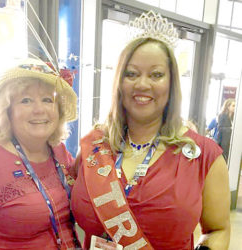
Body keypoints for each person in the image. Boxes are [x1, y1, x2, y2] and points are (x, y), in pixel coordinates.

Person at [71, 11, 230, 250]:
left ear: (171, 83)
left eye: (156, 74)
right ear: (119, 83)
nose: (142, 84)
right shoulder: (92, 146)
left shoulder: (204, 155)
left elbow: (218, 229)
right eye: (131, 74)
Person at [0, 58, 81, 249]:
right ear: (7, 110)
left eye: (47, 100)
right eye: (26, 100)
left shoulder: (59, 152)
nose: (39, 109)